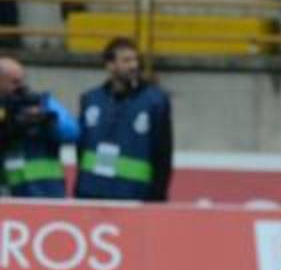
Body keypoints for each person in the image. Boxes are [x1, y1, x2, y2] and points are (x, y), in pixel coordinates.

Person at [75, 37, 173, 202]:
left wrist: (157, 196)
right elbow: (81, 147)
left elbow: (163, 154)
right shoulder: (90, 99)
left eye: (135, 60)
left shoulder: (155, 102)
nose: (134, 65)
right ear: (110, 65)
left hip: (134, 195)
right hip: (91, 193)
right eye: (126, 61)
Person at [0, 57, 79, 197]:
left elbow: (72, 132)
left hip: (46, 192)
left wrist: (48, 122)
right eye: (14, 82)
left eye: (22, 80)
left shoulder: (42, 102)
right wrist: (10, 126)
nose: (21, 86)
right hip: (10, 193)